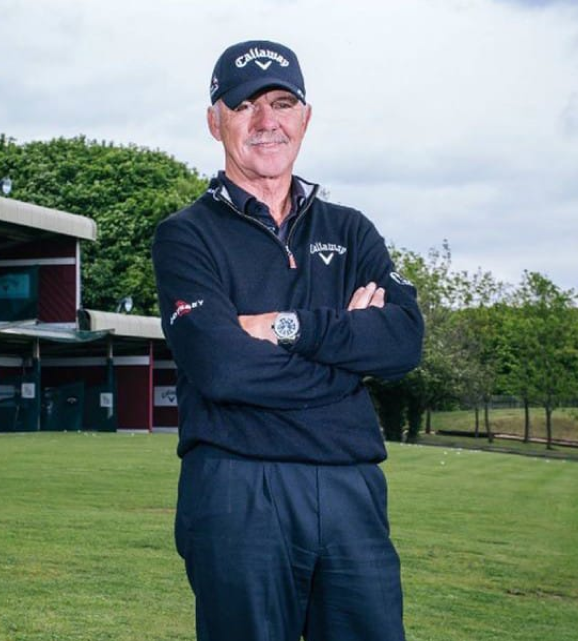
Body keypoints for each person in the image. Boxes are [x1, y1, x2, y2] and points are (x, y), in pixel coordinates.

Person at [152, 39, 423, 641]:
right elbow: (223, 369)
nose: (265, 121)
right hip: (237, 488)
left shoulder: (350, 230)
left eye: (281, 103)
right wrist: (348, 363)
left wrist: (286, 327)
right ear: (214, 121)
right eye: (244, 105)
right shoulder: (186, 236)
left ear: (305, 117)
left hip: (351, 486)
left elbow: (403, 341)